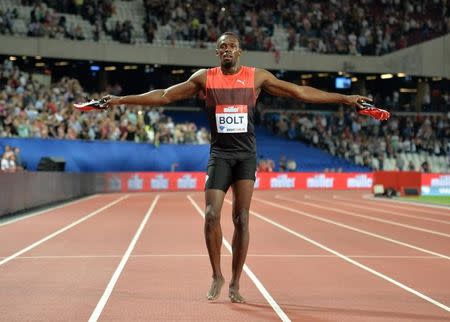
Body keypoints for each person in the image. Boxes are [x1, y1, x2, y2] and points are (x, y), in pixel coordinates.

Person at [96, 32, 375, 303]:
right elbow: (165, 95)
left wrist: (345, 99)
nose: (227, 50)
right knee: (210, 215)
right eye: (222, 47)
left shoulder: (257, 77)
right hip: (220, 155)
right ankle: (216, 275)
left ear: (239, 51)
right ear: (217, 52)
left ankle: (235, 281)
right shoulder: (205, 78)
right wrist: (119, 100)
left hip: (245, 157)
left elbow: (299, 92)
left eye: (232, 46)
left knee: (241, 218)